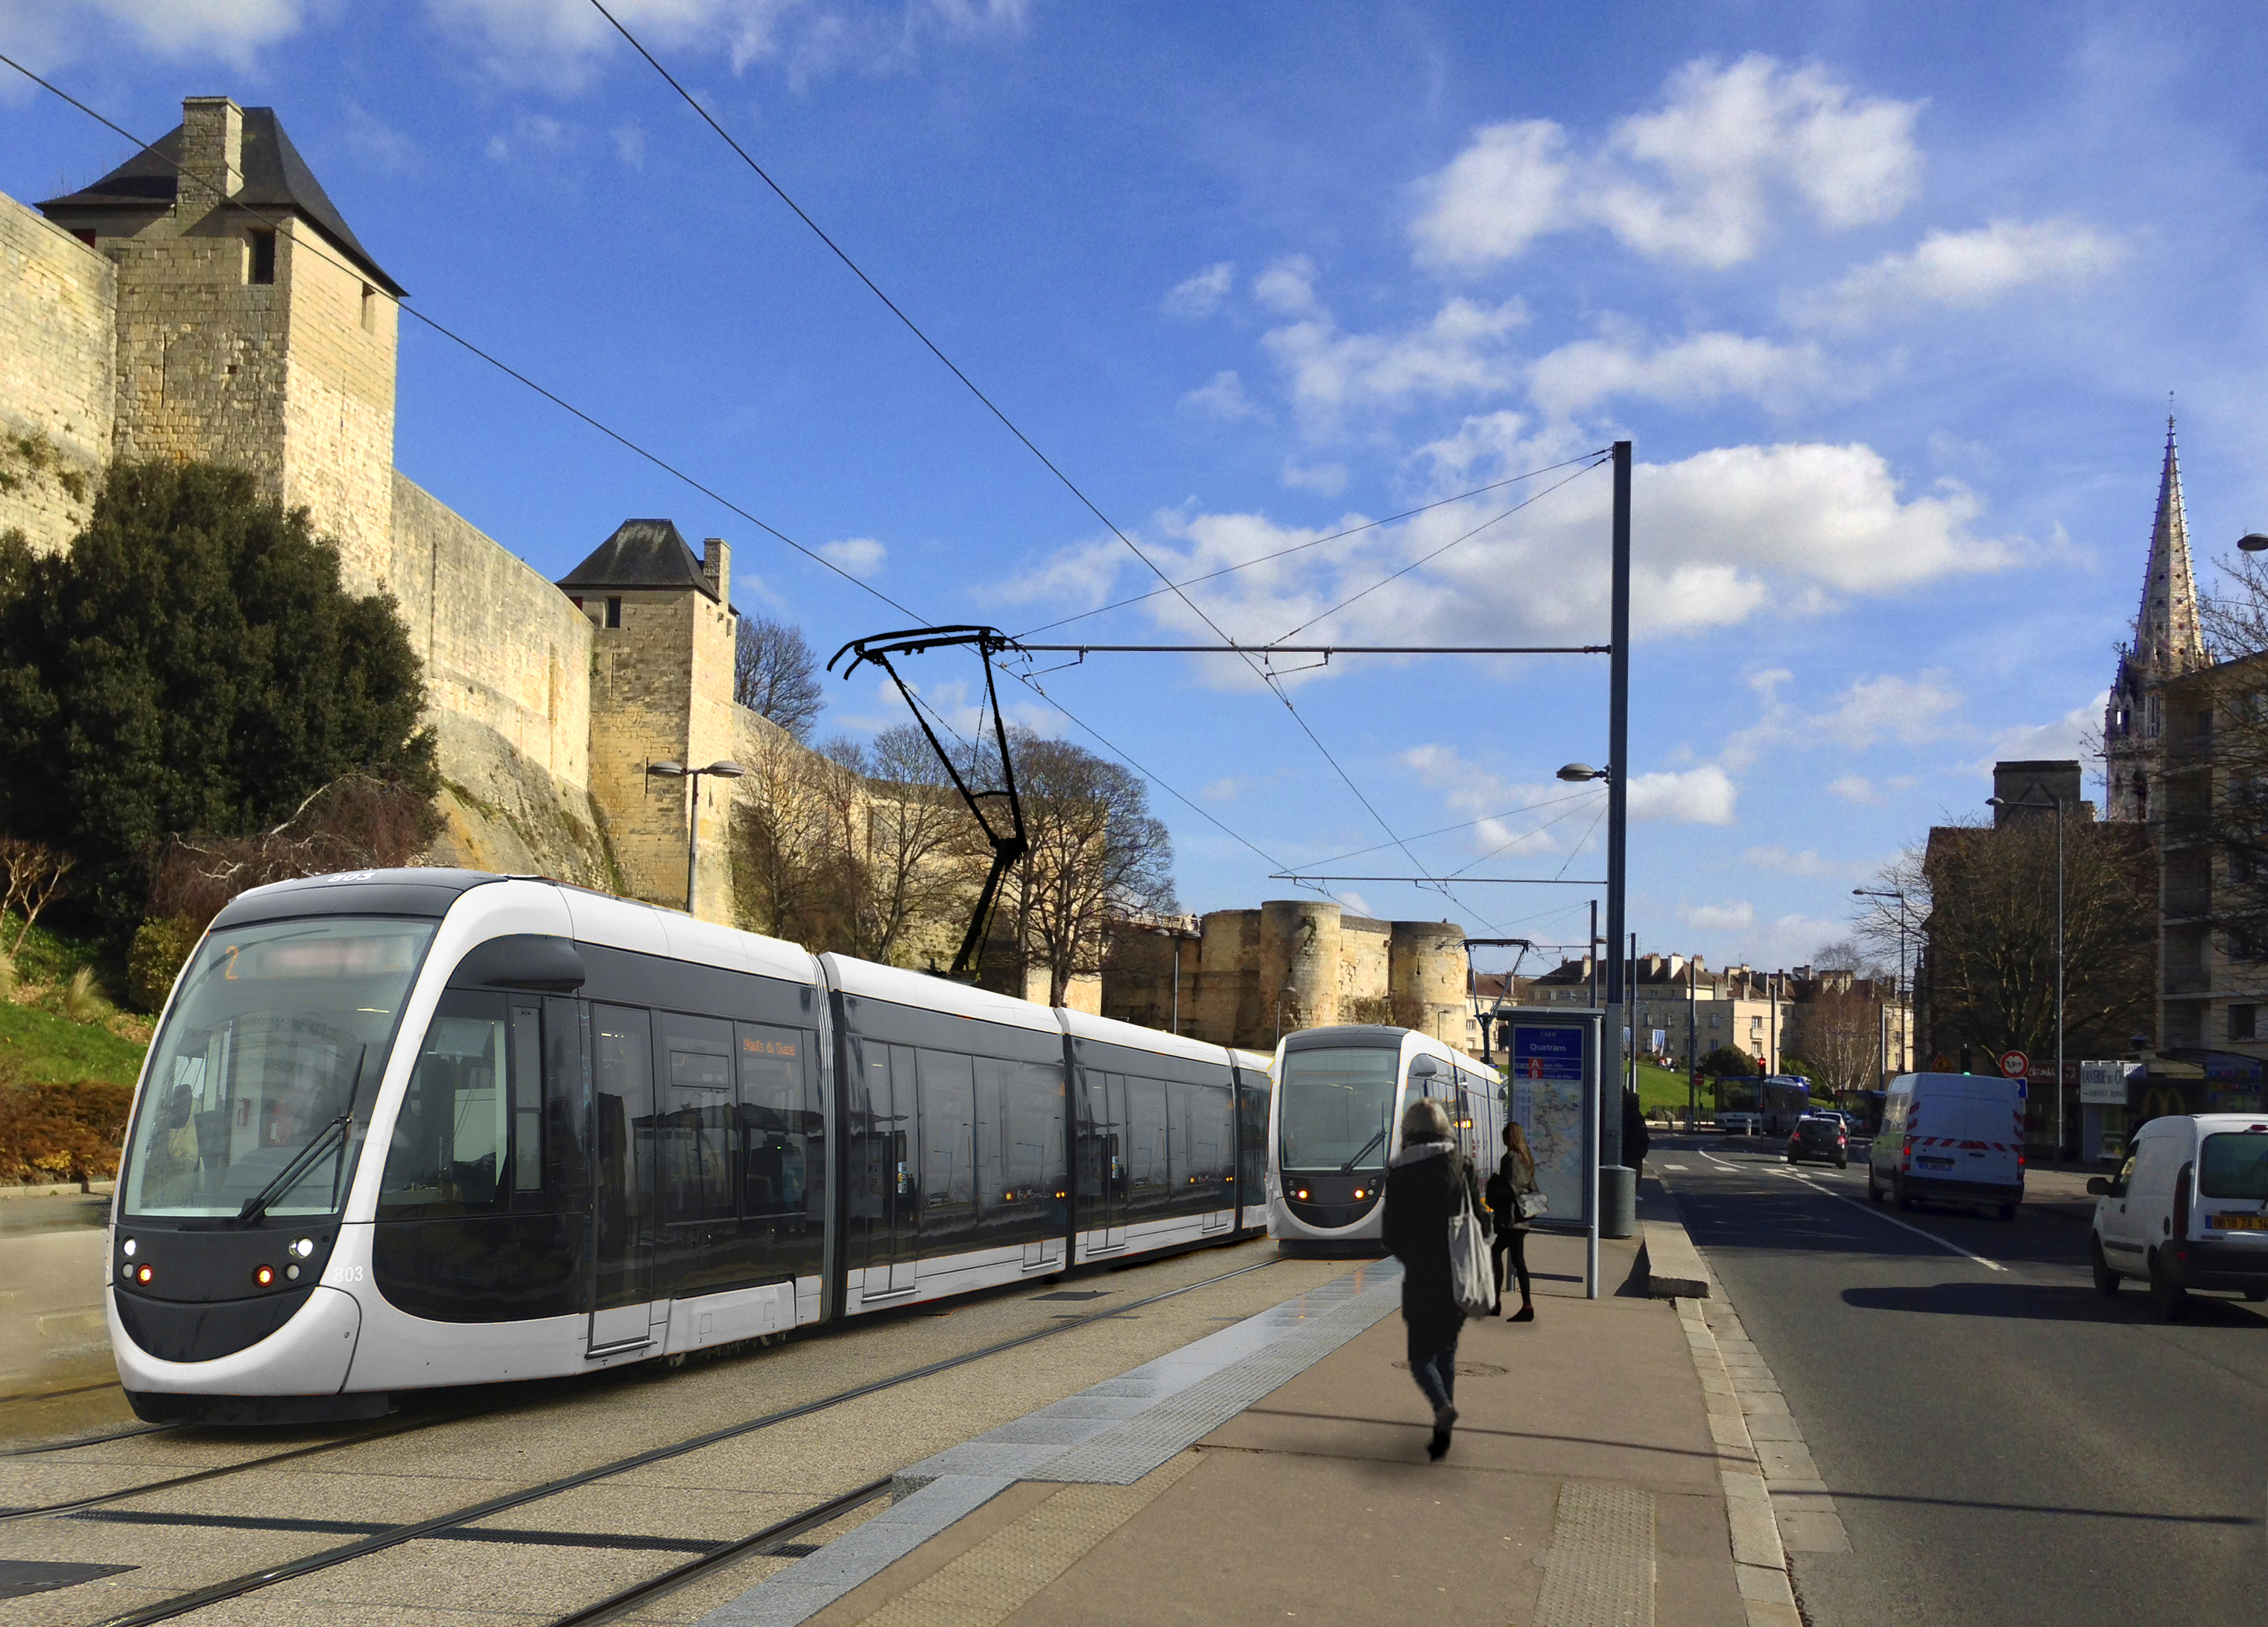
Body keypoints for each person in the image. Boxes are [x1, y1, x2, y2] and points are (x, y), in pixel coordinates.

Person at [1380, 1097, 1483, 1461]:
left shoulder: (1400, 1170)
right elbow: (1481, 1223)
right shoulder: (1463, 1165)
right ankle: (1443, 1432)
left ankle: (1441, 1407)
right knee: (1447, 1353)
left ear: (1409, 1131)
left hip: (1422, 1278)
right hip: (1458, 1277)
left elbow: (1390, 1234)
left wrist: (1414, 1257)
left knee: (1420, 1356)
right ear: (1443, 1127)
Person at [1484, 1122, 1538, 1322]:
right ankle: (1524, 1305)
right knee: (1516, 1260)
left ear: (1509, 1138)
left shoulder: (1511, 1159)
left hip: (1512, 1219)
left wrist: (1495, 1184)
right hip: (1520, 1219)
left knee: (1500, 1254)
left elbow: (1510, 1189)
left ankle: (1500, 1302)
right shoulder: (1526, 1160)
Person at [1622, 1088, 1651, 1184]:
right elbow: (1641, 1133)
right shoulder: (1636, 1116)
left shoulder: (1623, 1115)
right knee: (1635, 1173)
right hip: (1635, 1151)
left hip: (1628, 1149)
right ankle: (1632, 1192)